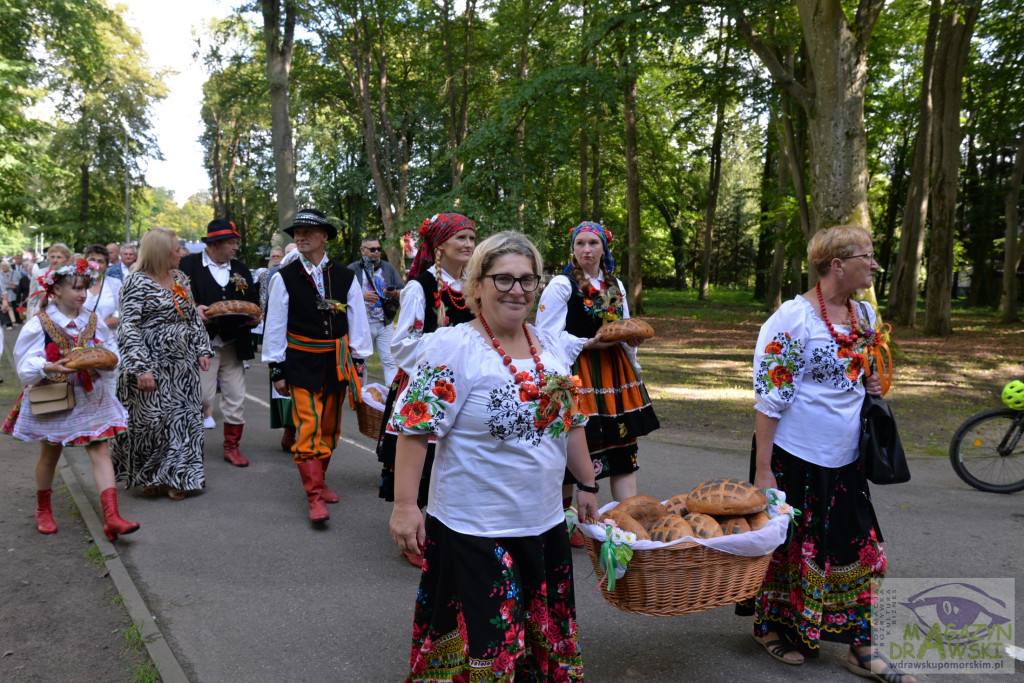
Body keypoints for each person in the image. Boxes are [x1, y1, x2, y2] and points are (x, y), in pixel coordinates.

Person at [389, 231, 598, 682]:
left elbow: (572, 423)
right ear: (476, 285)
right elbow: (415, 430)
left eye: (527, 279)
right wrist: (406, 507)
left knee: (537, 637)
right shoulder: (452, 348)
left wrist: (587, 486)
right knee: (490, 643)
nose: (517, 290)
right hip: (475, 528)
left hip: (543, 525)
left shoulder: (553, 348)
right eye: (503, 279)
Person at [746, 225, 914, 682]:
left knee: (857, 547)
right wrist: (763, 471)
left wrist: (874, 380)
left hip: (846, 459)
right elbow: (769, 399)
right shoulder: (791, 319)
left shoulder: (864, 316)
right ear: (837, 264)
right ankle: (770, 627)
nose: (875, 264)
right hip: (793, 456)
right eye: (867, 255)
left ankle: (862, 647)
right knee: (788, 548)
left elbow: (863, 374)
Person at [536, 221, 659, 545]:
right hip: (579, 373)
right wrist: (587, 344)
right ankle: (564, 523)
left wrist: (633, 346)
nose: (587, 250)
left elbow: (626, 326)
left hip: (616, 377)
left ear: (604, 248)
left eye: (593, 243)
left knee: (622, 449)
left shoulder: (615, 284)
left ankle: (624, 523)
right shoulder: (562, 285)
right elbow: (545, 335)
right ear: (573, 249)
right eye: (580, 244)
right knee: (574, 447)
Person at [1, 259, 139, 541]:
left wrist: (108, 361)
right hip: (54, 395)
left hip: (90, 394)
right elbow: (24, 364)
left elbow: (109, 348)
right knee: (50, 453)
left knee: (100, 449)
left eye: (85, 288)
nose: (82, 294)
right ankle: (43, 508)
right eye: (75, 288)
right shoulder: (40, 323)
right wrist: (48, 367)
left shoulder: (92, 319)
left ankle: (112, 517)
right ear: (56, 290)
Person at [376, 213, 476, 566]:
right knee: (424, 460)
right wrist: (446, 349)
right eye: (459, 238)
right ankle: (413, 536)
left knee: (456, 459)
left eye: (471, 238)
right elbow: (401, 345)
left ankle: (447, 528)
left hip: (467, 385)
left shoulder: (477, 284)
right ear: (439, 245)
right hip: (428, 385)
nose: (467, 244)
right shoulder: (420, 287)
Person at [262, 208, 372, 524]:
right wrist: (277, 370)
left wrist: (359, 363)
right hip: (300, 362)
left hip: (336, 362)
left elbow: (357, 321)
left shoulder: (345, 276)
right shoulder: (282, 277)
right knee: (308, 426)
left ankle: (320, 483)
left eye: (308, 231)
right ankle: (313, 498)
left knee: (330, 429)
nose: (300, 235)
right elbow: (275, 324)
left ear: (324, 237)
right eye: (297, 231)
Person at [111, 228, 213, 500]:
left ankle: (179, 478)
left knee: (183, 419)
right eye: (176, 249)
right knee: (152, 422)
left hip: (182, 363)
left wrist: (202, 348)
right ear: (160, 252)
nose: (182, 253)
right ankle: (150, 476)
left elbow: (191, 316)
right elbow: (128, 327)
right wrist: (140, 367)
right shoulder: (136, 282)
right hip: (149, 361)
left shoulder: (180, 278)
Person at [179, 219, 261, 468]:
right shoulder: (188, 265)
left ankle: (231, 447)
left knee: (236, 398)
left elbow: (254, 301)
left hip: (234, 343)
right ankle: (189, 446)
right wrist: (195, 310)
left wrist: (255, 317)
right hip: (202, 345)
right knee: (202, 398)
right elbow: (175, 298)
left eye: (236, 242)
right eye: (231, 243)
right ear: (215, 244)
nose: (236, 247)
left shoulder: (241, 269)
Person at [347, 235, 403, 386]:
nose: (377, 252)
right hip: (363, 324)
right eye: (372, 249)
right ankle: (362, 400)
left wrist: (394, 293)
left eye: (379, 249)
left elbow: (402, 289)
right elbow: (342, 295)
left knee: (389, 360)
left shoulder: (387, 267)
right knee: (361, 362)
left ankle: (390, 399)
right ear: (363, 250)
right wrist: (361, 296)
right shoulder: (353, 269)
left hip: (385, 321)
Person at [82, 245, 121, 337]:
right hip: (80, 338)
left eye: (100, 261)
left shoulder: (115, 283)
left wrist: (98, 325)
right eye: (92, 260)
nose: (95, 264)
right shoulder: (76, 283)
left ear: (106, 266)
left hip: (108, 338)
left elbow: (120, 312)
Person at [27, 244, 71, 318]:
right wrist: (29, 320)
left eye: (59, 257)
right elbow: (32, 300)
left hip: (65, 316)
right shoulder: (38, 273)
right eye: (52, 257)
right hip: (42, 316)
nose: (55, 260)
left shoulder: (71, 276)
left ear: (67, 260)